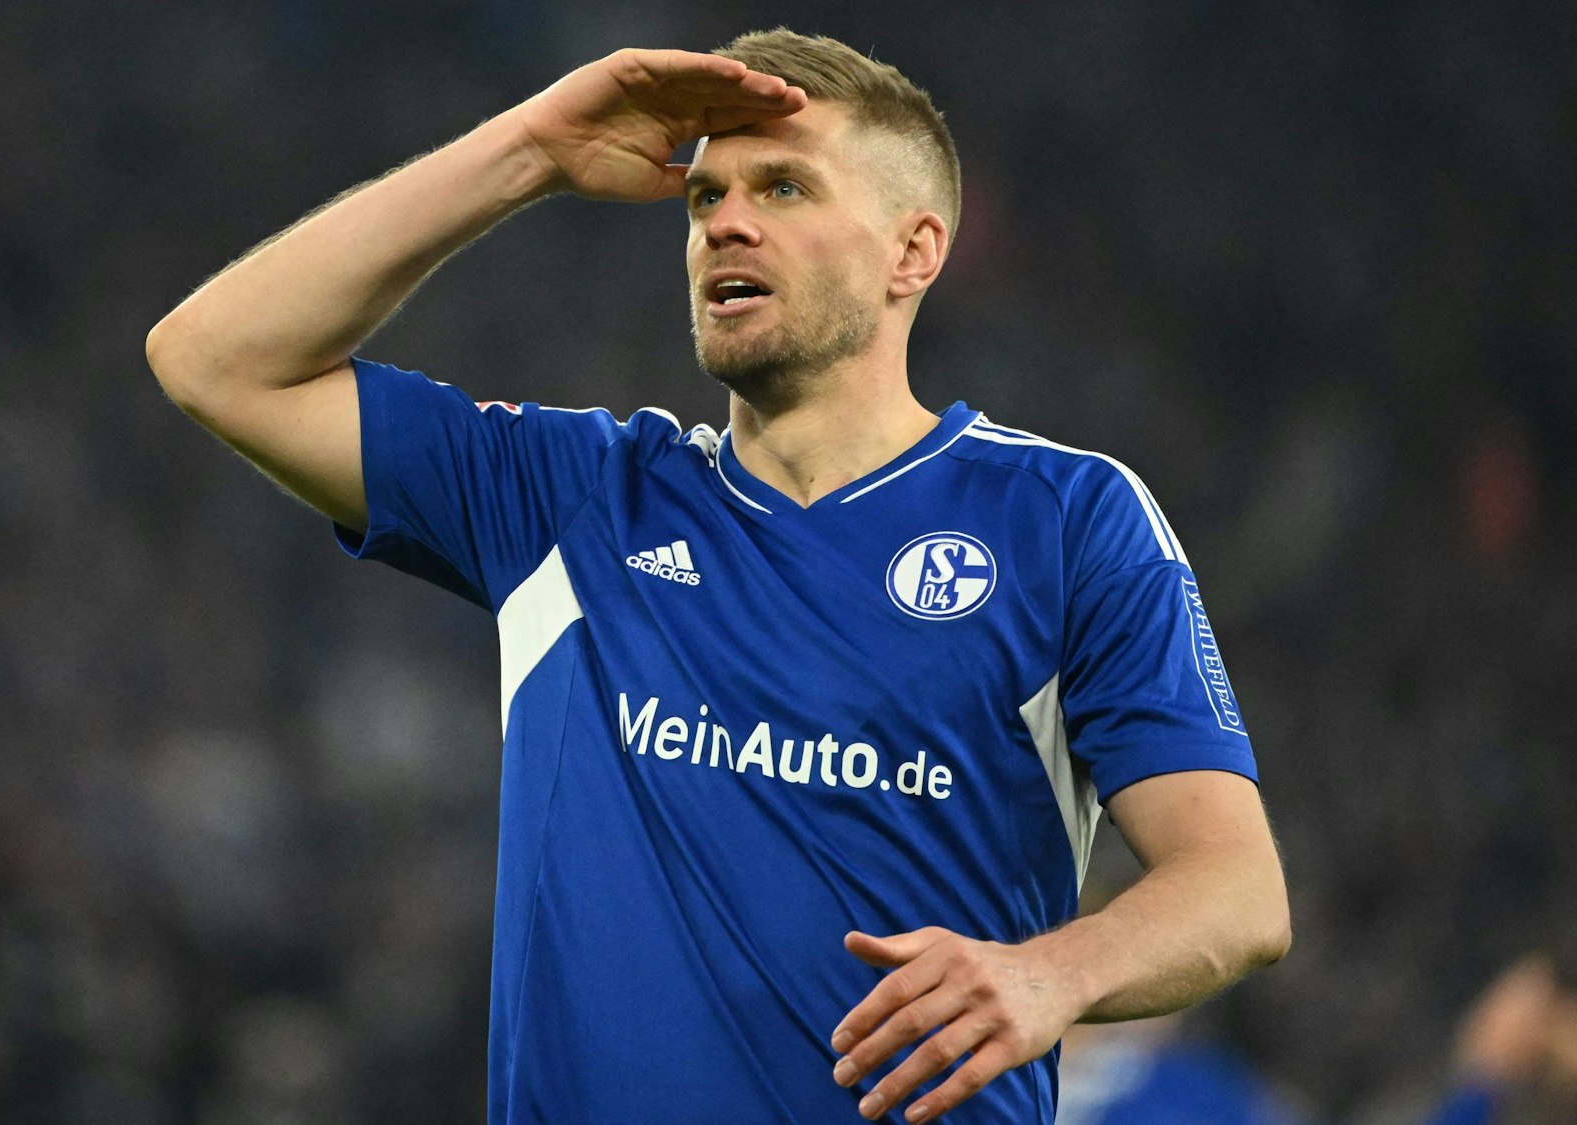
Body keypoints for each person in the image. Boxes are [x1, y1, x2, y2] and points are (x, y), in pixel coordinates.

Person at [146, 28, 1290, 1124]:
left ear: (913, 250)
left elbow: (1235, 892)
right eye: (704, 197)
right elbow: (215, 360)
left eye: (782, 189)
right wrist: (529, 153)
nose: (724, 225)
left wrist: (1052, 978)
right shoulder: (576, 496)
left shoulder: (1062, 519)